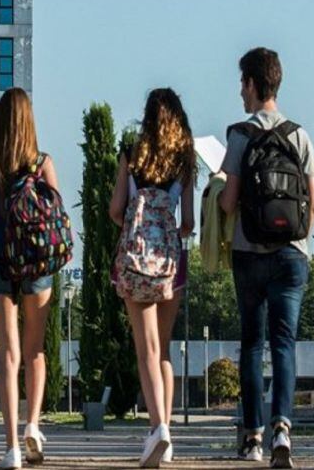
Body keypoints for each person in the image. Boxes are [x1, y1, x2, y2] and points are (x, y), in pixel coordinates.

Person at [218, 47, 314, 469]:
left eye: (242, 83)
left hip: (249, 254)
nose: (240, 91)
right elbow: (312, 206)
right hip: (291, 255)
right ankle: (283, 428)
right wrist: (293, 236)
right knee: (284, 344)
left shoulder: (240, 135)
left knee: (251, 343)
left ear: (254, 84)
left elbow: (227, 203)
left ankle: (253, 438)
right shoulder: (300, 135)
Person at [0, 88, 58, 469]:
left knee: (8, 352)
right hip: (37, 262)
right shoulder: (43, 162)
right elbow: (54, 214)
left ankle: (10, 448)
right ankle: (33, 425)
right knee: (35, 349)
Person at [109, 88, 196, 468]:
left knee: (144, 350)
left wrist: (132, 222)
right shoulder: (184, 160)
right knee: (163, 350)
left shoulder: (131, 153)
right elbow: (189, 223)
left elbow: (115, 209)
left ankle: (157, 427)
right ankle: (168, 435)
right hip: (170, 264)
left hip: (135, 262)